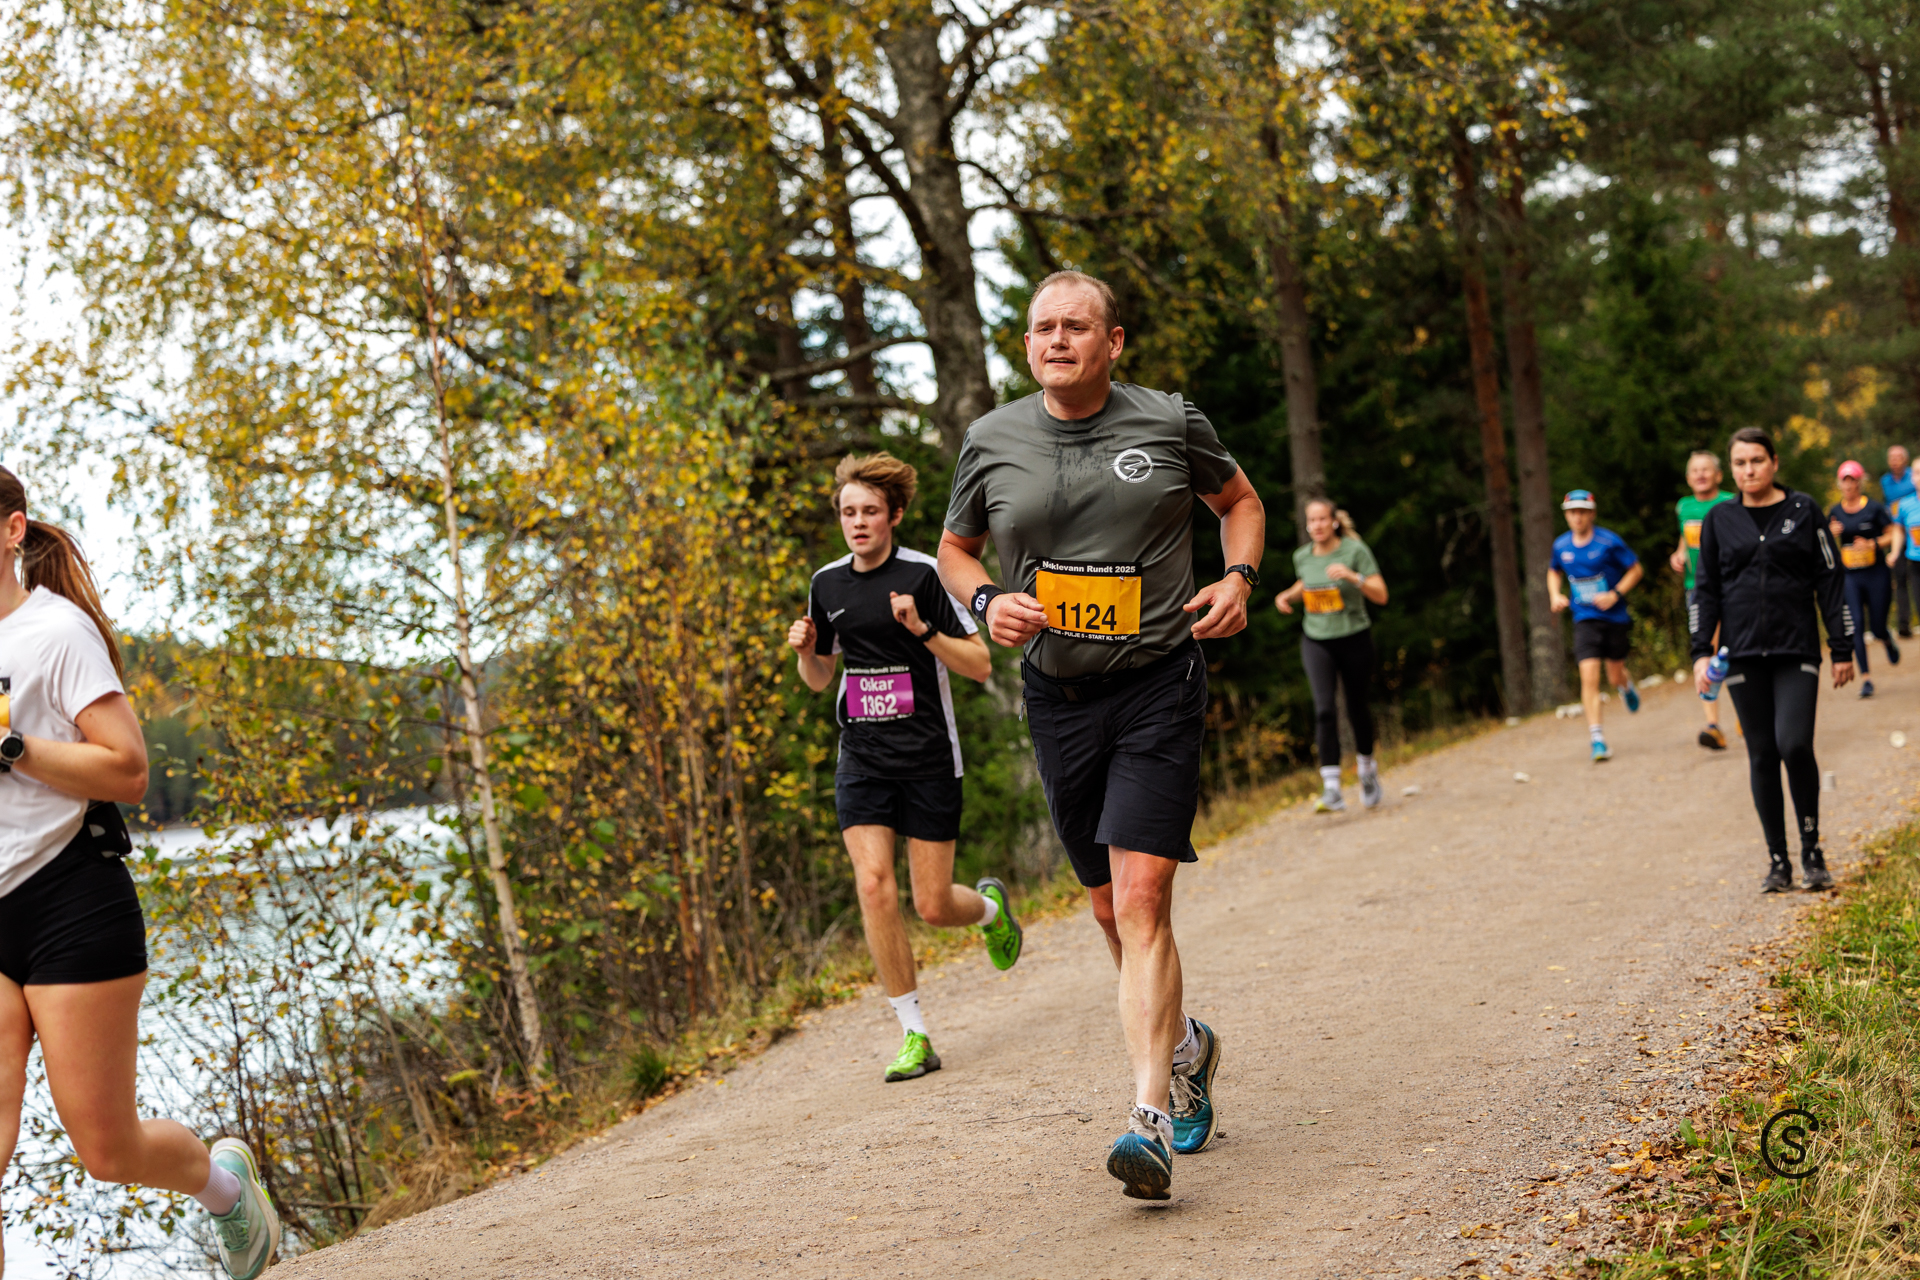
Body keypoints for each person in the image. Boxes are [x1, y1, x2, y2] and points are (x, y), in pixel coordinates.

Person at [937, 270, 1264, 1201]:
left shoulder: (1168, 420)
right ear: (1026, 344)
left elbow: (1241, 503)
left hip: (1159, 683)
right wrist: (987, 601)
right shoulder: (991, 438)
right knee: (1107, 911)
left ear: (1113, 342)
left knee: (1142, 896)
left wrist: (1237, 579)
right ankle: (1187, 1045)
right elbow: (956, 550)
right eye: (1042, 327)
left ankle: (1147, 1118)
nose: (1057, 340)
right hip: (1059, 698)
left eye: (1076, 327)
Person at [0, 466, 277, 1280]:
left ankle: (226, 1191)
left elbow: (127, 770)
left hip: (68, 899)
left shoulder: (56, 633)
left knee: (107, 1150)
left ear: (12, 529)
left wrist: (9, 745)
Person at [787, 453, 1022, 1085]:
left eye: (869, 511)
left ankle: (990, 911)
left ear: (893, 515)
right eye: (848, 512)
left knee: (934, 905)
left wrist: (921, 631)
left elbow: (979, 663)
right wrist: (807, 653)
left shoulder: (924, 574)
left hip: (928, 758)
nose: (858, 522)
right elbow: (820, 679)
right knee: (873, 885)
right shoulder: (826, 584)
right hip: (862, 757)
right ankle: (913, 1033)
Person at [1692, 428, 1852, 893]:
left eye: (1757, 460)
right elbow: (1705, 588)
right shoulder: (1719, 519)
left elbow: (1829, 578)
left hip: (1795, 648)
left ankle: (1812, 851)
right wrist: (1700, 651)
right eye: (1740, 463)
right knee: (1762, 753)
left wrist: (1841, 647)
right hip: (1741, 653)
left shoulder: (1803, 510)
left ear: (1774, 462)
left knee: (1795, 744)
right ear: (1731, 469)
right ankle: (1777, 861)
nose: (1749, 470)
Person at [1273, 499, 1389, 812]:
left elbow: (1381, 594)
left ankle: (1367, 770)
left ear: (1334, 521)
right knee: (1324, 708)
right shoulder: (1302, 556)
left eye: (1323, 519)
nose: (1318, 525)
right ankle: (1332, 787)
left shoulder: (1354, 550)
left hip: (1354, 638)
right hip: (1317, 640)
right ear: (1307, 524)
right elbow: (1307, 582)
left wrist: (1353, 577)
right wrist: (1287, 595)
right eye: (1312, 520)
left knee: (1356, 707)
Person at [1548, 490, 1645, 762]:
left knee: (1614, 676)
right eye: (1572, 512)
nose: (1577, 517)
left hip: (1614, 618)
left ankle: (1625, 686)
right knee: (1589, 677)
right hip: (1584, 619)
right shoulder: (1561, 545)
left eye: (1582, 512)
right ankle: (1597, 739)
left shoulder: (1609, 541)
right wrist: (1555, 595)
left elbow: (1636, 570)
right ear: (1566, 515)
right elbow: (1553, 571)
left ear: (1592, 514)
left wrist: (1615, 594)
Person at [1669, 451, 1736, 749]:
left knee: (1730, 648)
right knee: (1706, 650)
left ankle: (1747, 715)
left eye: (1706, 469)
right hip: (1696, 588)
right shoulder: (1684, 506)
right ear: (1688, 478)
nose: (1700, 474)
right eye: (1695, 470)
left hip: (1730, 587)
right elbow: (1687, 538)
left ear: (1718, 475)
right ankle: (1713, 725)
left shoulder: (1730, 502)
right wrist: (1679, 553)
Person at [1828, 459, 1903, 698]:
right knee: (1856, 625)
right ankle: (1866, 678)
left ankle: (1885, 638)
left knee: (1877, 626)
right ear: (1840, 483)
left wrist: (1872, 543)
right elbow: (1823, 543)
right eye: (1845, 481)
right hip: (1850, 576)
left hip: (1876, 573)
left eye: (1853, 481)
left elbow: (1892, 534)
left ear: (1860, 482)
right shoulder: (1835, 512)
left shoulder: (1873, 508)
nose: (1849, 485)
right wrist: (1830, 534)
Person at [1881, 445, 1915, 636]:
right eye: (1891, 457)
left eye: (1898, 457)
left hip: (1915, 531)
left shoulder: (1913, 475)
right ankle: (1903, 623)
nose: (1894, 460)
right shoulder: (1885, 481)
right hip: (1897, 530)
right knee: (1900, 578)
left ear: (1905, 459)